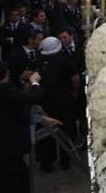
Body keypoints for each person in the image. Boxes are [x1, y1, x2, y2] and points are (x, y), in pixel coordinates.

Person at [0, 60, 42, 193]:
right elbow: (34, 97)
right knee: (16, 181)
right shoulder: (5, 91)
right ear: (6, 74)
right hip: (8, 146)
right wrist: (35, 81)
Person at [35, 37, 79, 172]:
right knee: (65, 130)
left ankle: (47, 162)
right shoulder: (65, 62)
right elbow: (75, 78)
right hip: (63, 102)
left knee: (46, 134)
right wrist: (75, 93)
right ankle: (65, 160)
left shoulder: (38, 63)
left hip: (45, 103)